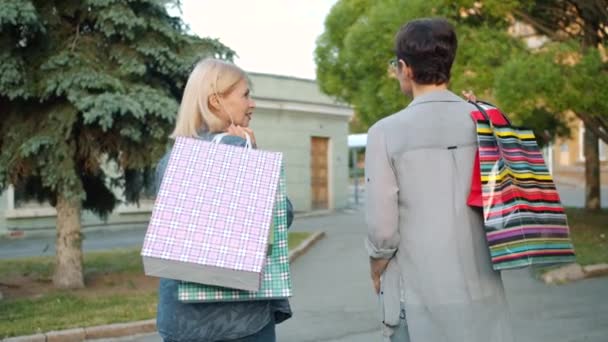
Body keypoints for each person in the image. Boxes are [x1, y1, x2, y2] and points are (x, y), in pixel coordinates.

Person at [364, 18, 514, 342]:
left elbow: (383, 230)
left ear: (405, 68)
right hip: (483, 292)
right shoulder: (485, 121)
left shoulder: (385, 132)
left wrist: (376, 267)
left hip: (418, 298)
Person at [154, 58, 293, 342]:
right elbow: (281, 216)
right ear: (216, 101)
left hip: (181, 320)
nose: (252, 104)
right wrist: (252, 153)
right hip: (240, 321)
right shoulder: (236, 149)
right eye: (245, 95)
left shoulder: (171, 159)